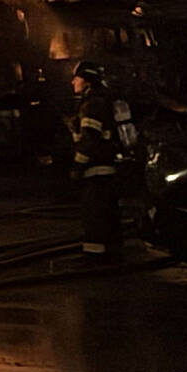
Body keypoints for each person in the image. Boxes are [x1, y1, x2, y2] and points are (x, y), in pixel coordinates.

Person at [66, 61, 125, 261]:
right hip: (107, 169)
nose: (73, 81)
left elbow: (89, 139)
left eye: (77, 77)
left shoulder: (92, 104)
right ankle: (112, 253)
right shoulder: (102, 100)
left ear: (87, 81)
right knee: (108, 214)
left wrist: (76, 166)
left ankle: (95, 257)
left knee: (94, 216)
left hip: (95, 170)